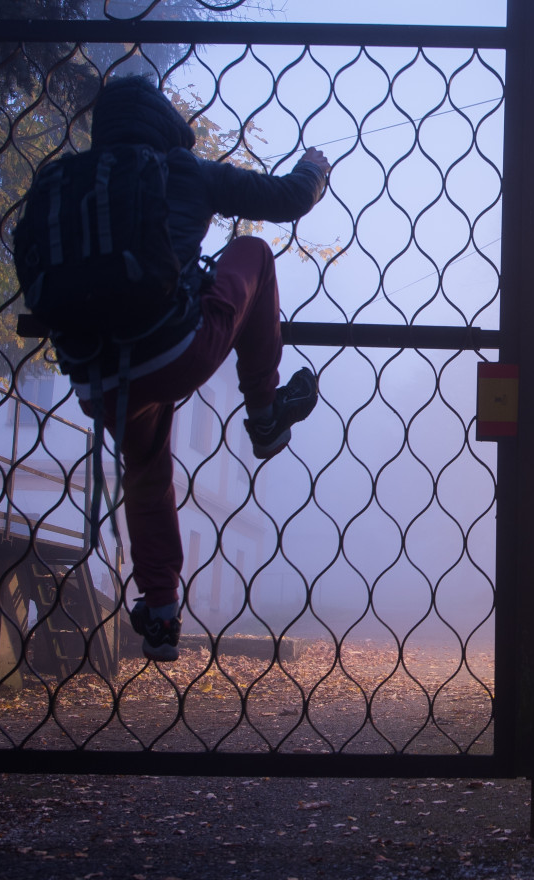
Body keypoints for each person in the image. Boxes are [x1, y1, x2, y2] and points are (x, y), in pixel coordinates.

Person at [56, 75, 331, 661]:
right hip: (175, 351)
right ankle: (263, 409)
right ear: (163, 123)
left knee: (147, 470)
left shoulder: (72, 180)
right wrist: (315, 167)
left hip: (98, 376)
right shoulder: (184, 170)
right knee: (254, 251)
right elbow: (287, 200)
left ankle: (160, 613)